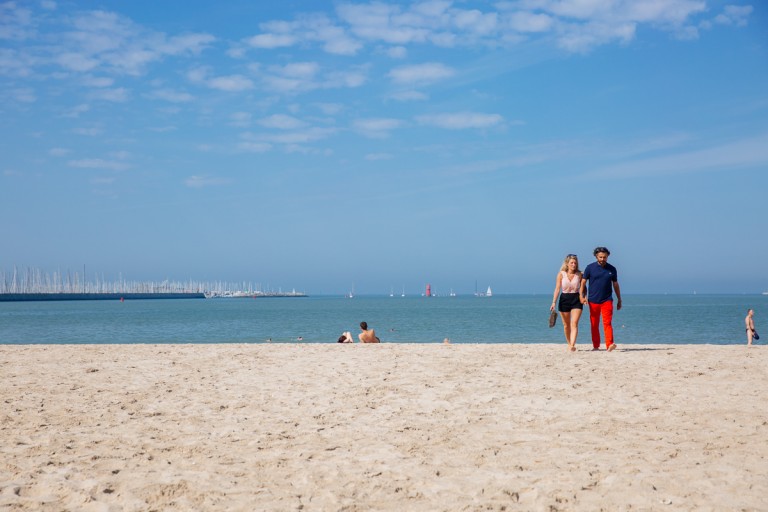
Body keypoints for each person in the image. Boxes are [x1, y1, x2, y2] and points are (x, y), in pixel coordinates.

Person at [580, 246, 622, 351]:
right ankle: (596, 345)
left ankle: (610, 344)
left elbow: (615, 285)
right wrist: (582, 296)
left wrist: (619, 299)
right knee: (594, 324)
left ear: (607, 256)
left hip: (607, 299)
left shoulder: (612, 269)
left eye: (604, 257)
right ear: (596, 256)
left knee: (607, 323)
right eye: (600, 257)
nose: (602, 259)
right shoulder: (590, 268)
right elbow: (583, 282)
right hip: (593, 300)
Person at [550, 254, 583, 351]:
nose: (574, 264)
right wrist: (553, 302)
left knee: (574, 323)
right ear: (567, 264)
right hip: (564, 299)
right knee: (566, 325)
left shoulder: (580, 274)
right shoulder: (561, 274)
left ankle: (572, 344)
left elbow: (583, 288)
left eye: (575, 263)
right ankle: (569, 343)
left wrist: (583, 297)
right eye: (572, 263)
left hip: (576, 299)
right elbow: (557, 289)